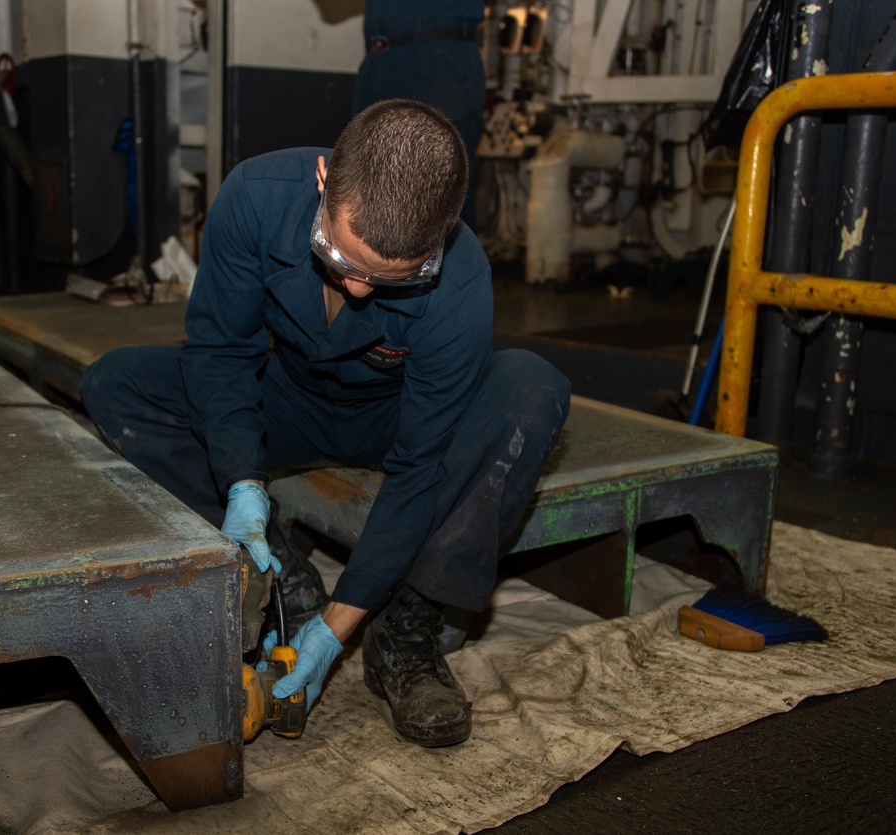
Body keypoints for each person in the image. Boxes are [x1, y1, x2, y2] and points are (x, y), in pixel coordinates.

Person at [81, 99, 570, 748]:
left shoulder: (460, 281)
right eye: (340, 256)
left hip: (399, 420)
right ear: (321, 179)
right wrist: (241, 479)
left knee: (531, 389)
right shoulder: (254, 198)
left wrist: (335, 629)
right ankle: (279, 570)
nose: (360, 289)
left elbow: (419, 466)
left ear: (440, 240)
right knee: (115, 384)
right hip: (288, 399)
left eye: (391, 277)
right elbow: (221, 353)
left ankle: (406, 627)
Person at [354, 0, 486, 229]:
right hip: (382, 64)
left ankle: (458, 264)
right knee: (370, 188)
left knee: (443, 189)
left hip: (441, 62)